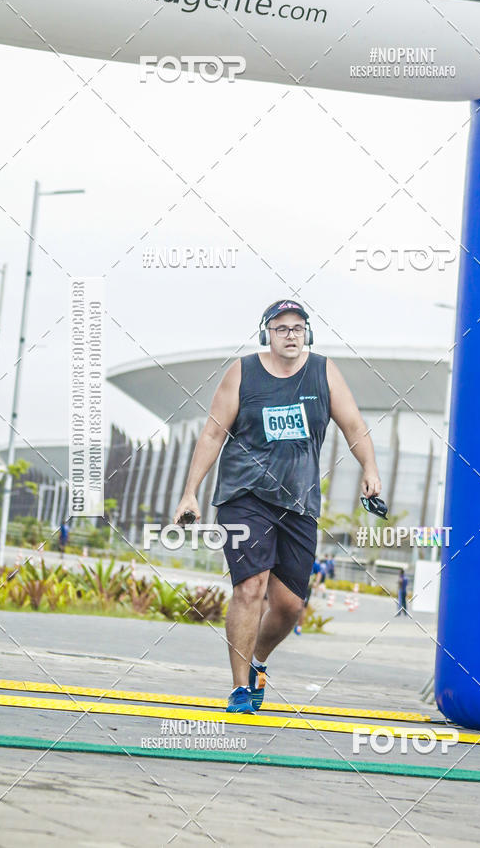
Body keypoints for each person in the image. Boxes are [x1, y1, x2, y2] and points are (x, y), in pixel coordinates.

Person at [174, 298, 382, 714]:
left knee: (289, 607)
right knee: (249, 588)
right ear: (266, 332)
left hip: (298, 501)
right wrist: (190, 492)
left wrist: (370, 469)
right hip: (244, 496)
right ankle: (238, 690)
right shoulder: (243, 372)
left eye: (298, 327)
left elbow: (354, 426)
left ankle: (257, 662)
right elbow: (214, 434)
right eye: (282, 327)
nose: (291, 335)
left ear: (308, 332)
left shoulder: (323, 371)